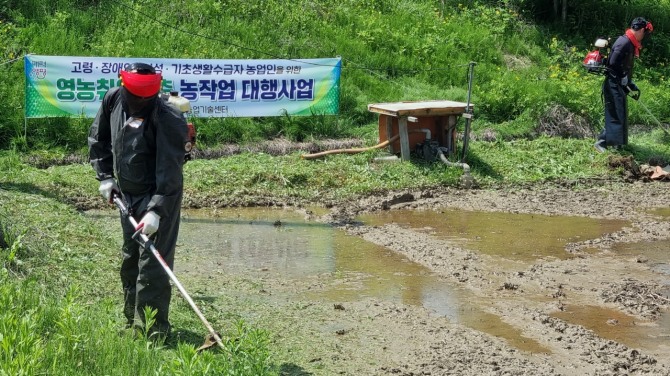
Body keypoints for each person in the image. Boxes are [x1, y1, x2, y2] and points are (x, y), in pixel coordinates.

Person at [88, 62, 190, 339]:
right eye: (135, 96)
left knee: (153, 264)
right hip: (126, 193)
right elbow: (99, 138)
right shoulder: (113, 100)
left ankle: (153, 331)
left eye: (146, 98)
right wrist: (105, 177)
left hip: (159, 195)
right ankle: (131, 321)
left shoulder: (167, 117)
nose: (139, 102)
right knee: (131, 257)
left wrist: (156, 211)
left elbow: (170, 171)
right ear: (124, 88)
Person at [595, 17, 653, 153]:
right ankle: (601, 143)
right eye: (644, 33)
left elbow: (623, 66)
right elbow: (613, 63)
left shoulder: (630, 42)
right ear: (641, 30)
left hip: (619, 83)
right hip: (613, 83)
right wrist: (623, 77)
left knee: (621, 113)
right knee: (616, 113)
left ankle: (617, 145)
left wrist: (630, 83)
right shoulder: (624, 42)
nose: (644, 36)